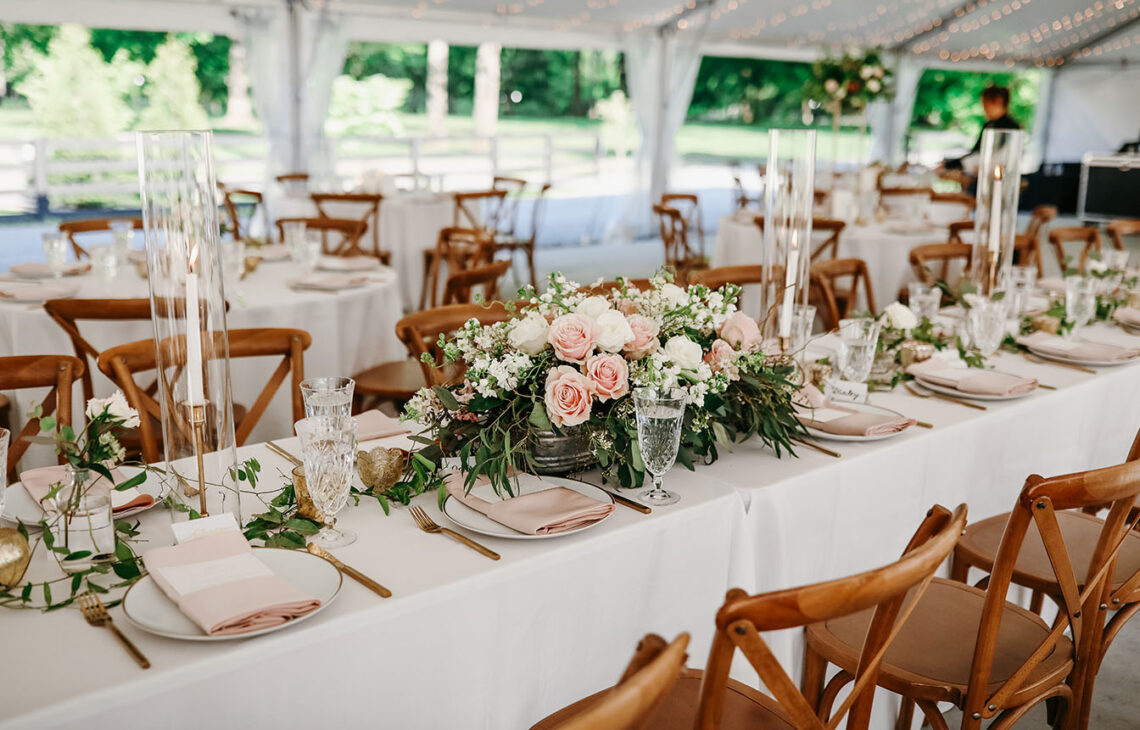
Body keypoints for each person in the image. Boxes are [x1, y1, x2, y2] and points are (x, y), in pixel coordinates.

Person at [942, 86, 1021, 174]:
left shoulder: (1010, 127)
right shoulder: (989, 125)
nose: (984, 109)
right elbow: (976, 151)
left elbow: (998, 156)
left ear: (998, 102)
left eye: (986, 104)